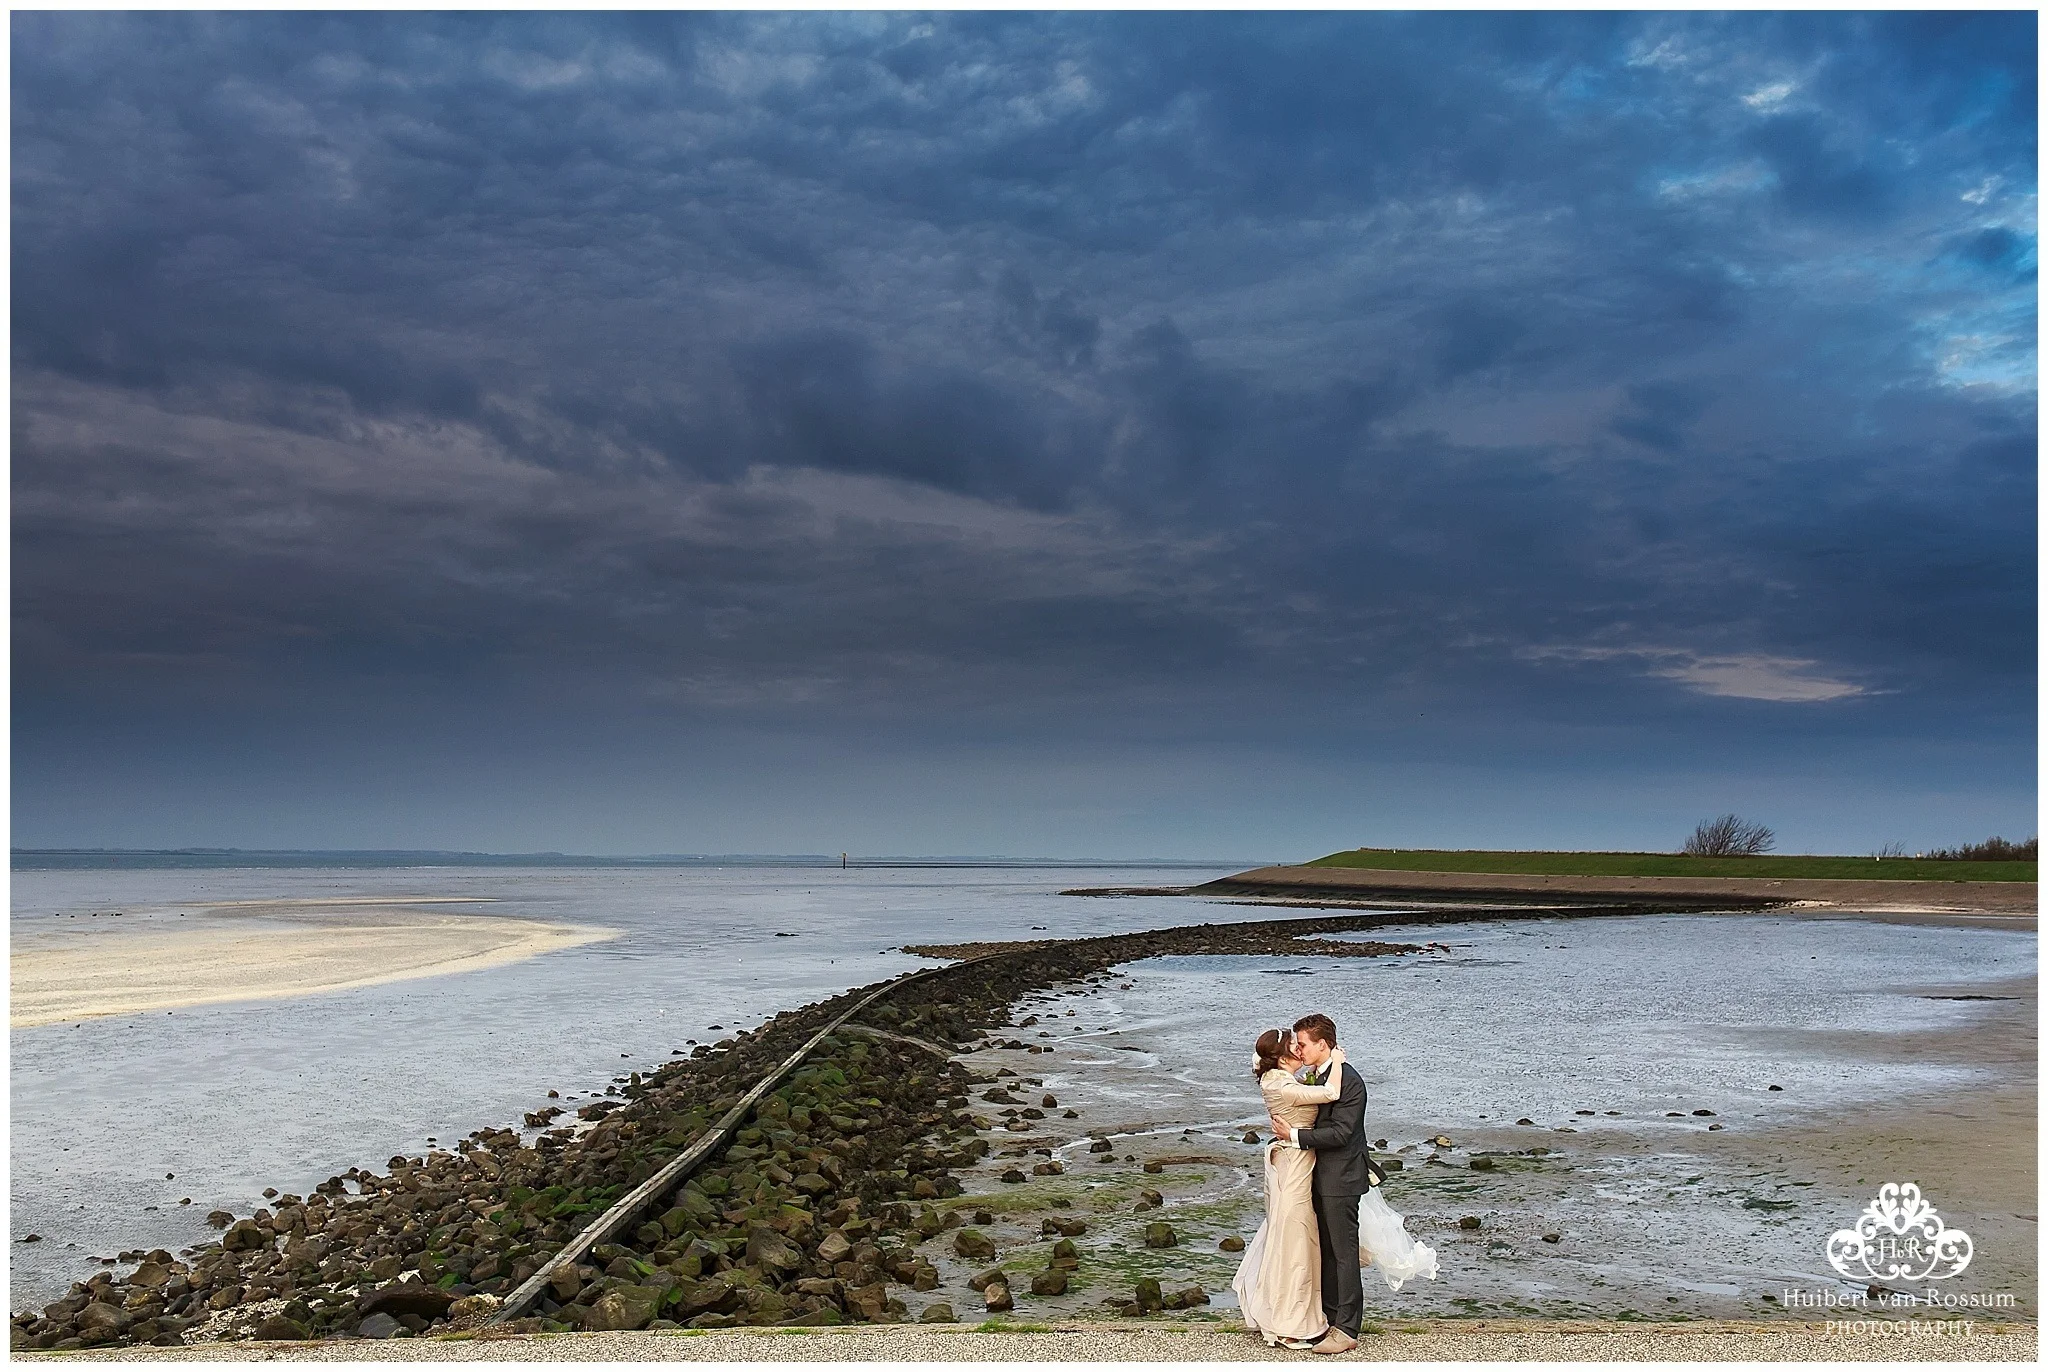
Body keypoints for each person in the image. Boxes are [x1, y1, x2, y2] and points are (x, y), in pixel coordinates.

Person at [1231, 1028, 1346, 1348]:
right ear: (1282, 1058)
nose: (1299, 1050)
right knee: (1297, 1243)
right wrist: (1336, 1060)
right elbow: (1331, 1093)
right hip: (1293, 1168)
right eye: (1294, 1047)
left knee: (1289, 1239)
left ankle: (1288, 1315)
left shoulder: (1277, 1080)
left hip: (1289, 1164)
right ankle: (1290, 1323)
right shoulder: (1283, 1085)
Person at [1269, 1013, 1370, 1355]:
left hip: (1341, 1177)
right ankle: (1327, 1320)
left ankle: (1347, 1328)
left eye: (1302, 1043)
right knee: (1325, 1252)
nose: (1297, 1049)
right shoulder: (1318, 1074)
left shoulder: (1350, 1081)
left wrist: (1294, 1135)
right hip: (1316, 1174)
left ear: (1322, 1045)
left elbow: (1342, 1133)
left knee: (1344, 1253)